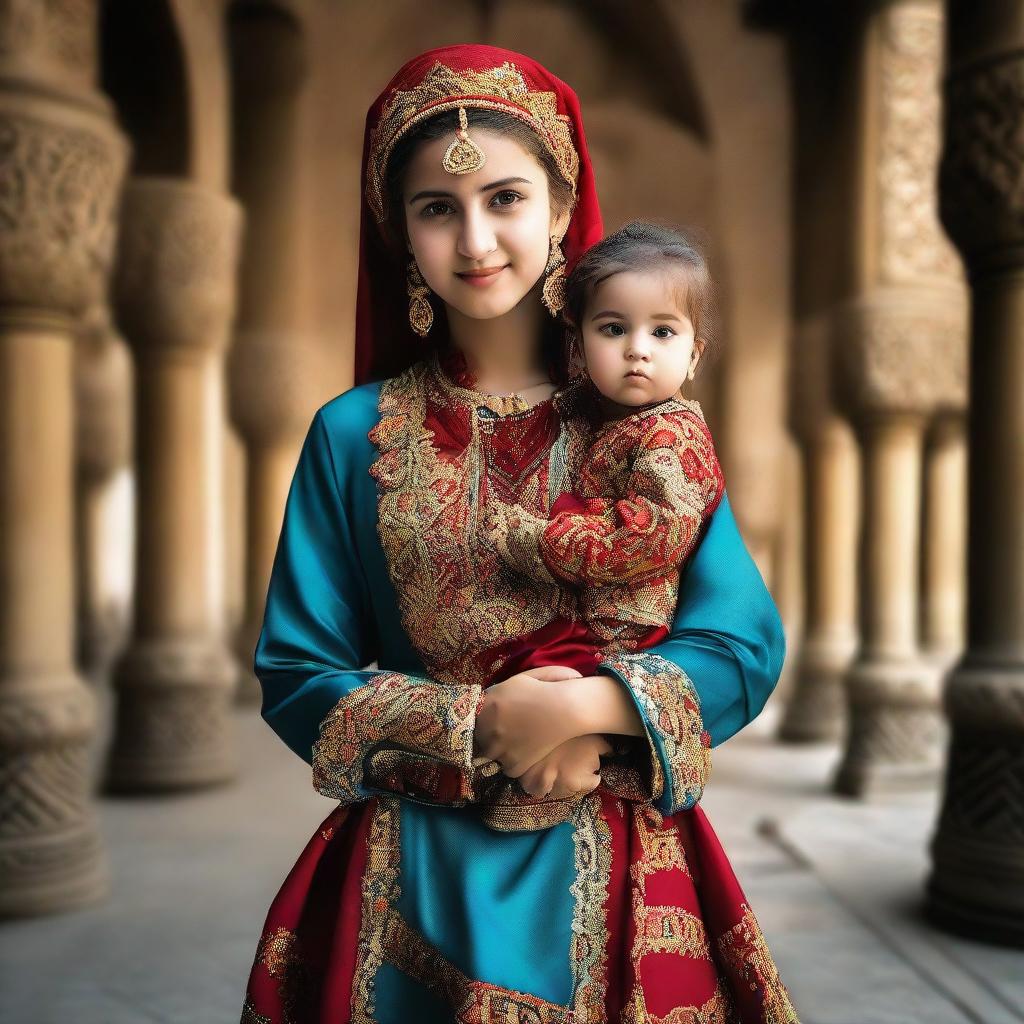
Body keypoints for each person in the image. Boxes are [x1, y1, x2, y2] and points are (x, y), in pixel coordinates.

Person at [240, 45, 798, 1024]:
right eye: (435, 208)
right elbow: (297, 669)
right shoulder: (349, 435)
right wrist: (477, 725)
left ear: (558, 210)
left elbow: (740, 642)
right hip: (411, 865)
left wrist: (592, 705)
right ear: (397, 233)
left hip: (622, 854)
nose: (475, 238)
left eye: (504, 198)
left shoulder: (642, 423)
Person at [483, 220, 726, 667]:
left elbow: (652, 536)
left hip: (625, 630)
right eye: (614, 329)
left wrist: (539, 541)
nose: (637, 349)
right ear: (577, 349)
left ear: (693, 357)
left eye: (663, 332)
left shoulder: (676, 435)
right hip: (583, 614)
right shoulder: (585, 411)